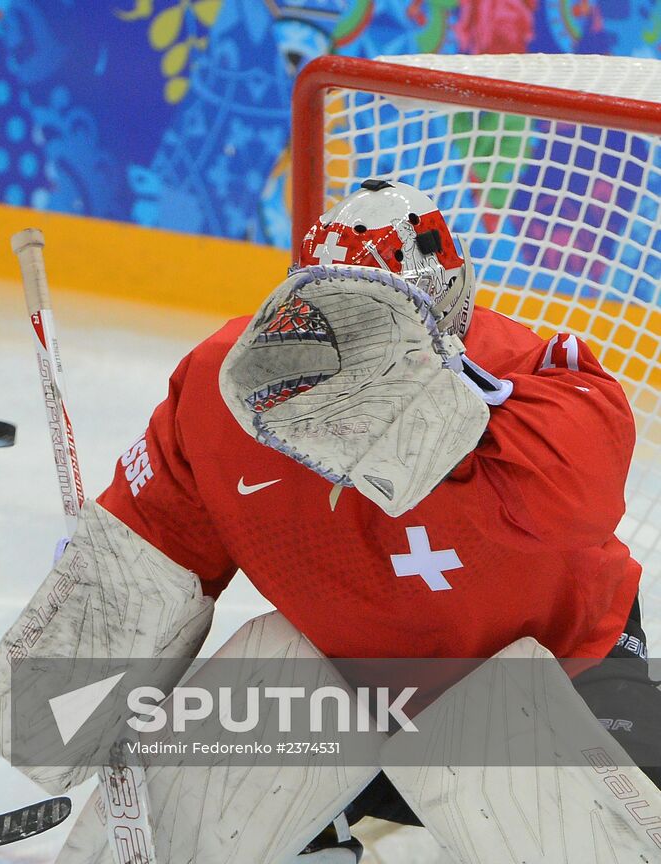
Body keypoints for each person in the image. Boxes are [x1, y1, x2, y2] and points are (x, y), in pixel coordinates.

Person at [95, 179, 657, 860]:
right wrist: (80, 699)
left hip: (565, 667)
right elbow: (148, 554)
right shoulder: (222, 390)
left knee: (609, 837)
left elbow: (575, 502)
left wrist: (462, 420)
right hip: (348, 688)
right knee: (275, 669)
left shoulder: (533, 384)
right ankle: (316, 832)